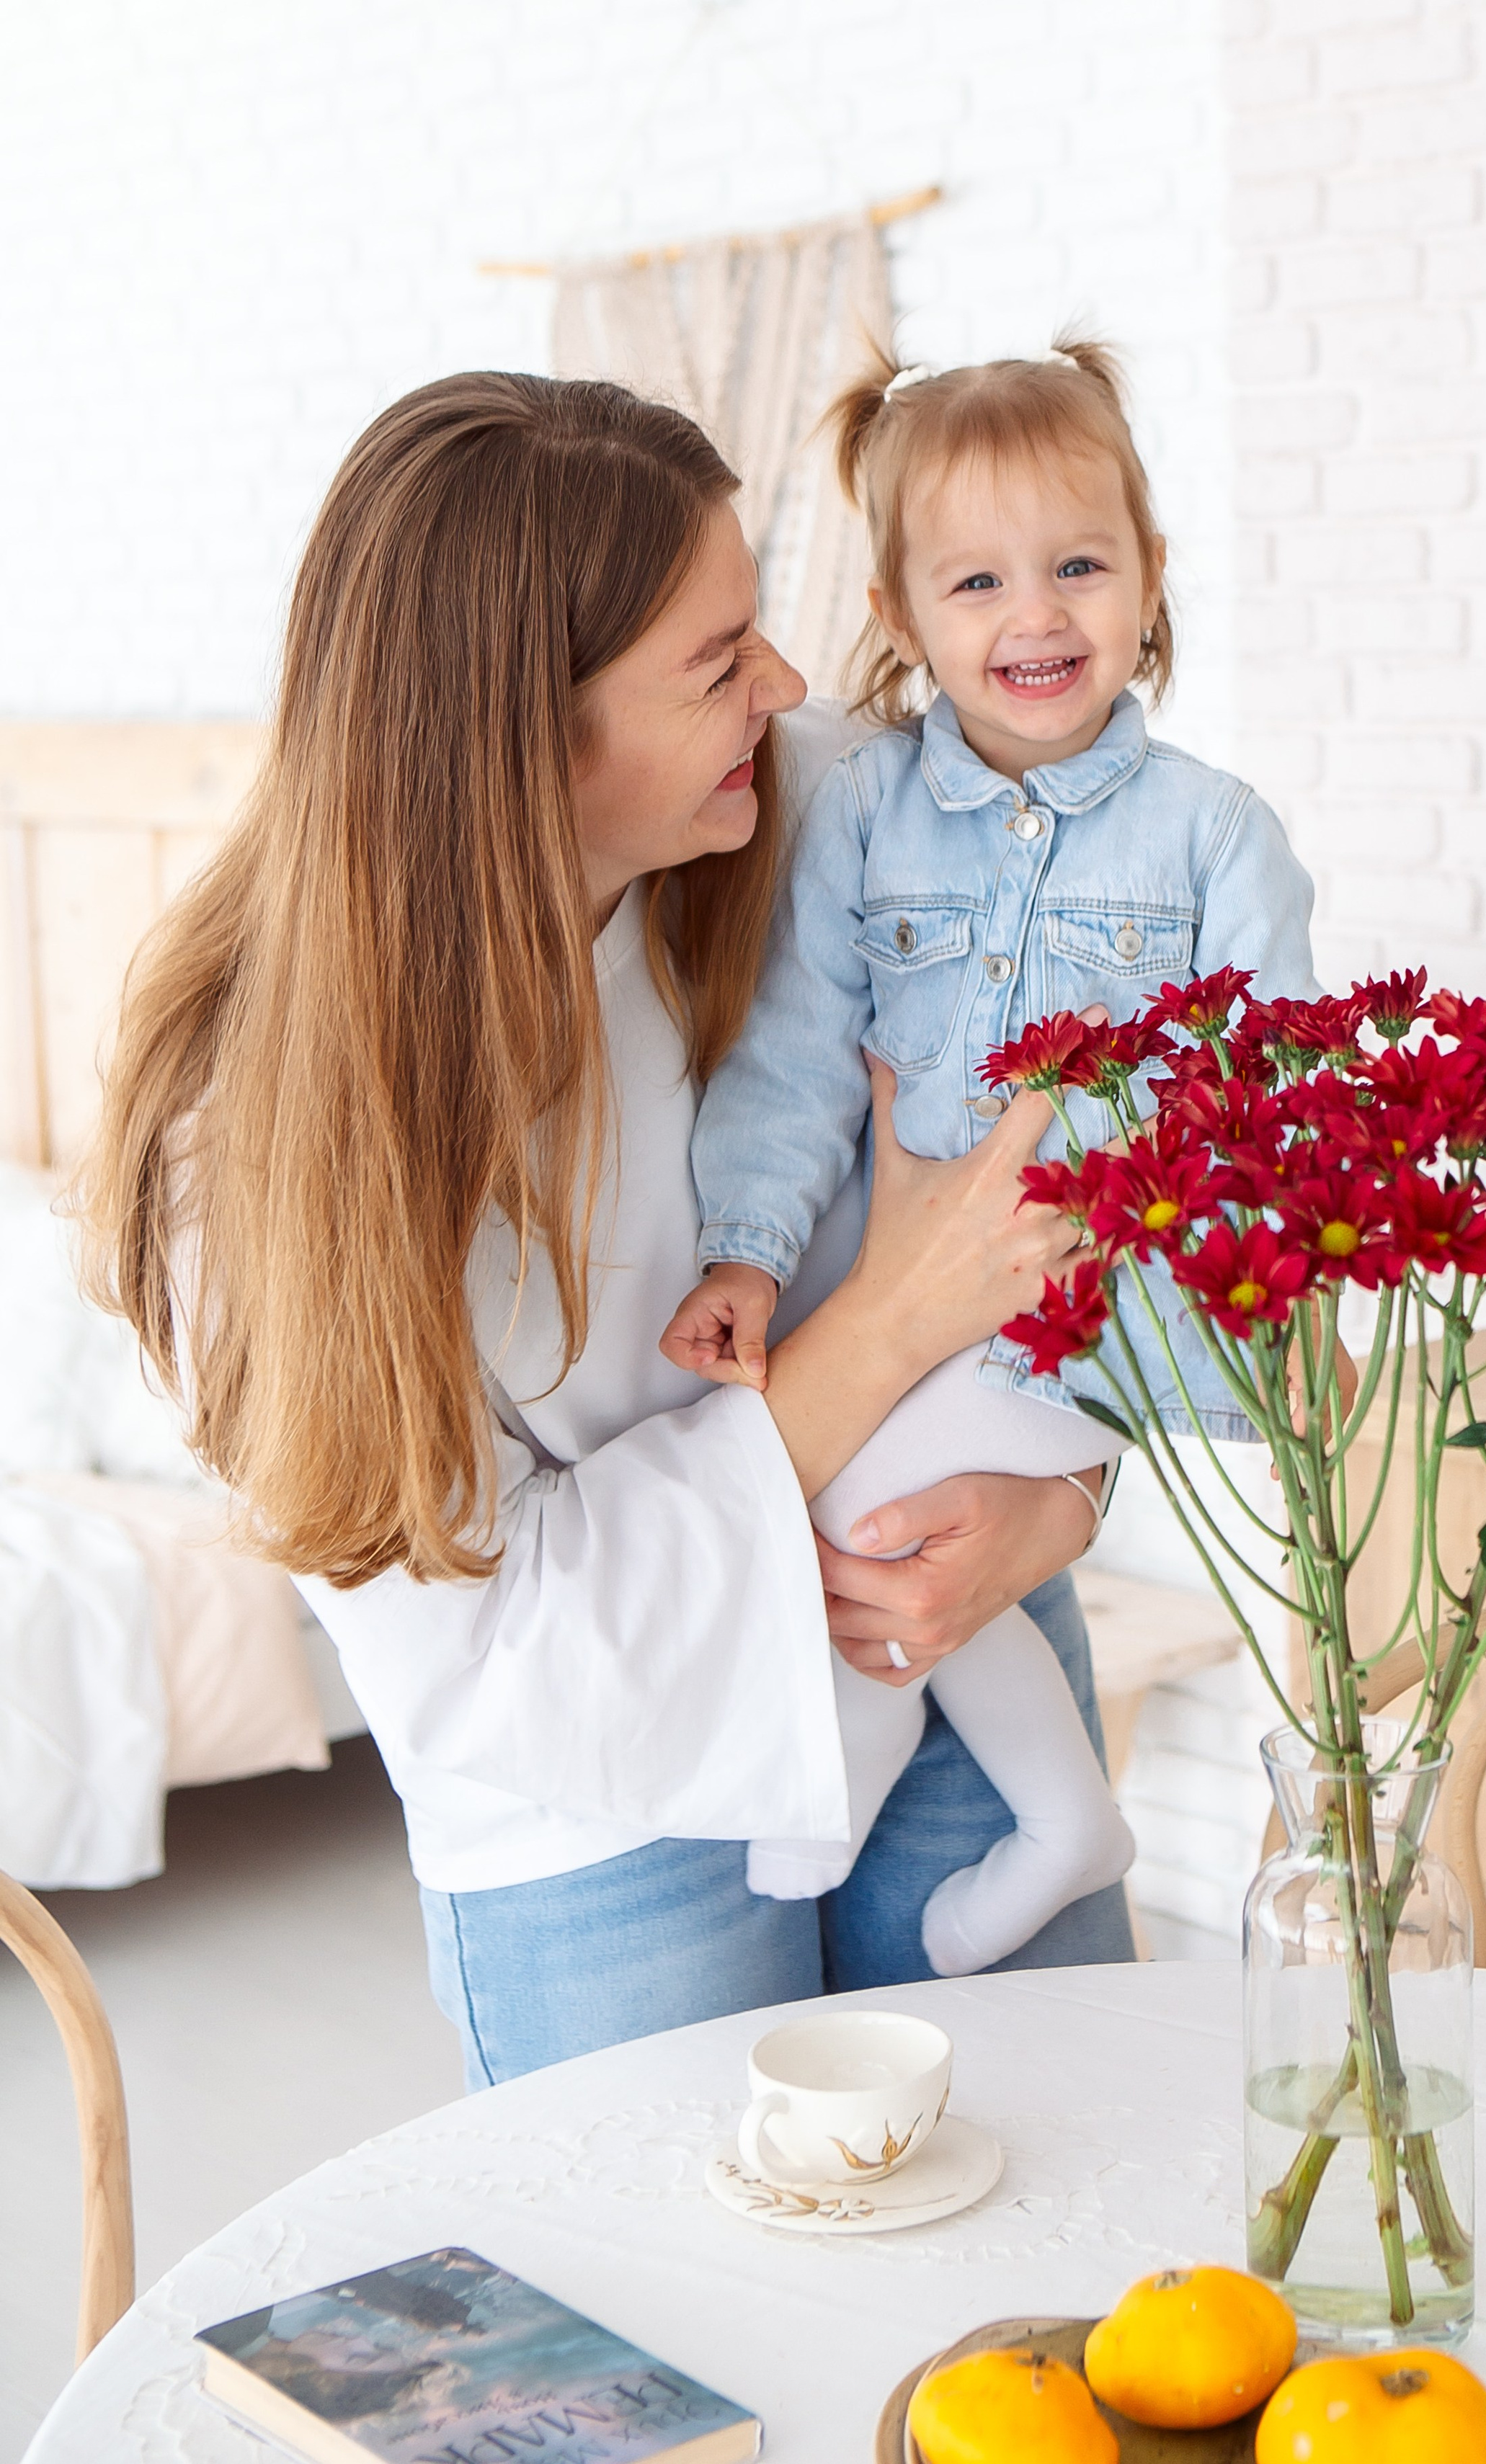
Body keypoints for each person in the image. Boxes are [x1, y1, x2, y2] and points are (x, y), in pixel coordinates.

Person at [79, 371, 1134, 2090]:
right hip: (596, 1809)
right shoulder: (246, 1144)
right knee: (707, 2321)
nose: (785, 688)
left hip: (953, 1636)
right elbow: (490, 1642)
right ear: (520, 745)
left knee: (1068, 2238)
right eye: (718, 666)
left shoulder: (834, 818)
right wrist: (874, 1330)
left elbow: (1083, 1168)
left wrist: (1063, 1497)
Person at [663, 340, 1317, 1979]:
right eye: (976, 580)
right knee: (889, 1520)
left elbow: (1265, 1102)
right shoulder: (856, 814)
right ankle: (1068, 1819)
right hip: (921, 1296)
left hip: (1089, 1300)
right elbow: (799, 1052)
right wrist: (744, 1248)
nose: (1036, 616)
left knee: (865, 1511)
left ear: (1149, 578)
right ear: (898, 614)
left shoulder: (1214, 837)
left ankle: (858, 1777)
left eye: (1079, 565)